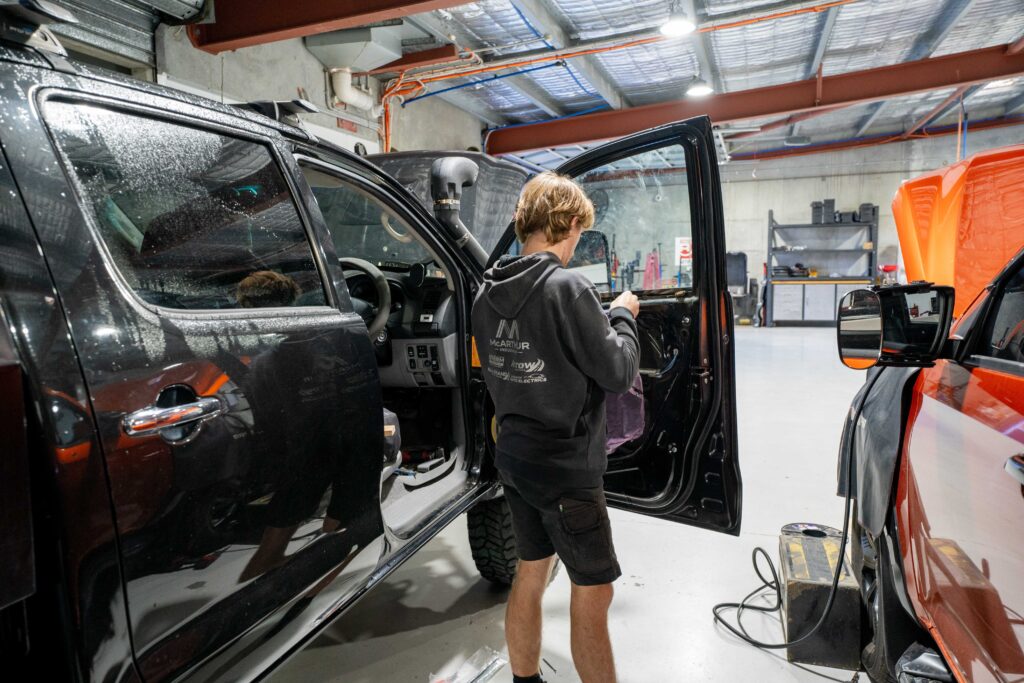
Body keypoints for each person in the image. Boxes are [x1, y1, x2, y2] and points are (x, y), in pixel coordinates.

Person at [472, 172, 640, 683]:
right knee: (594, 590)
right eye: (577, 235)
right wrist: (623, 316)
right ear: (566, 222)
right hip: (566, 470)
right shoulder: (568, 288)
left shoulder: (485, 294)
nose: (574, 247)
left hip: (516, 460)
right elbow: (618, 370)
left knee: (531, 570)